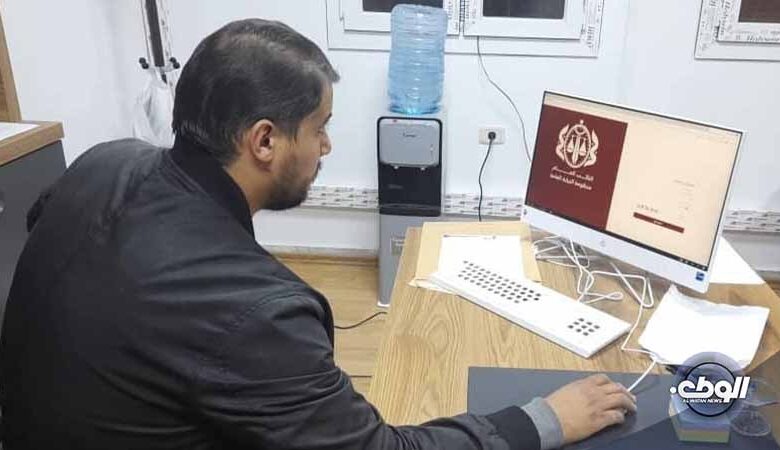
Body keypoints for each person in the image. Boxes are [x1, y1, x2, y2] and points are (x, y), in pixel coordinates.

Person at [0, 19, 636, 450]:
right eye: (320, 128)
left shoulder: (104, 161)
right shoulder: (256, 313)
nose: (328, 146)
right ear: (265, 141)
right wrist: (543, 420)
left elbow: (46, 230)